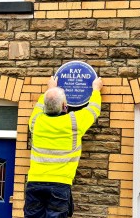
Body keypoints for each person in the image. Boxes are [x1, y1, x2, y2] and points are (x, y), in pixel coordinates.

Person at [24, 75, 103, 218]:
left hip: (34, 183)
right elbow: (93, 109)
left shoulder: (35, 121)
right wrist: (96, 89)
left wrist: (50, 89)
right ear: (65, 106)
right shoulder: (74, 122)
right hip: (60, 185)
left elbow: (40, 105)